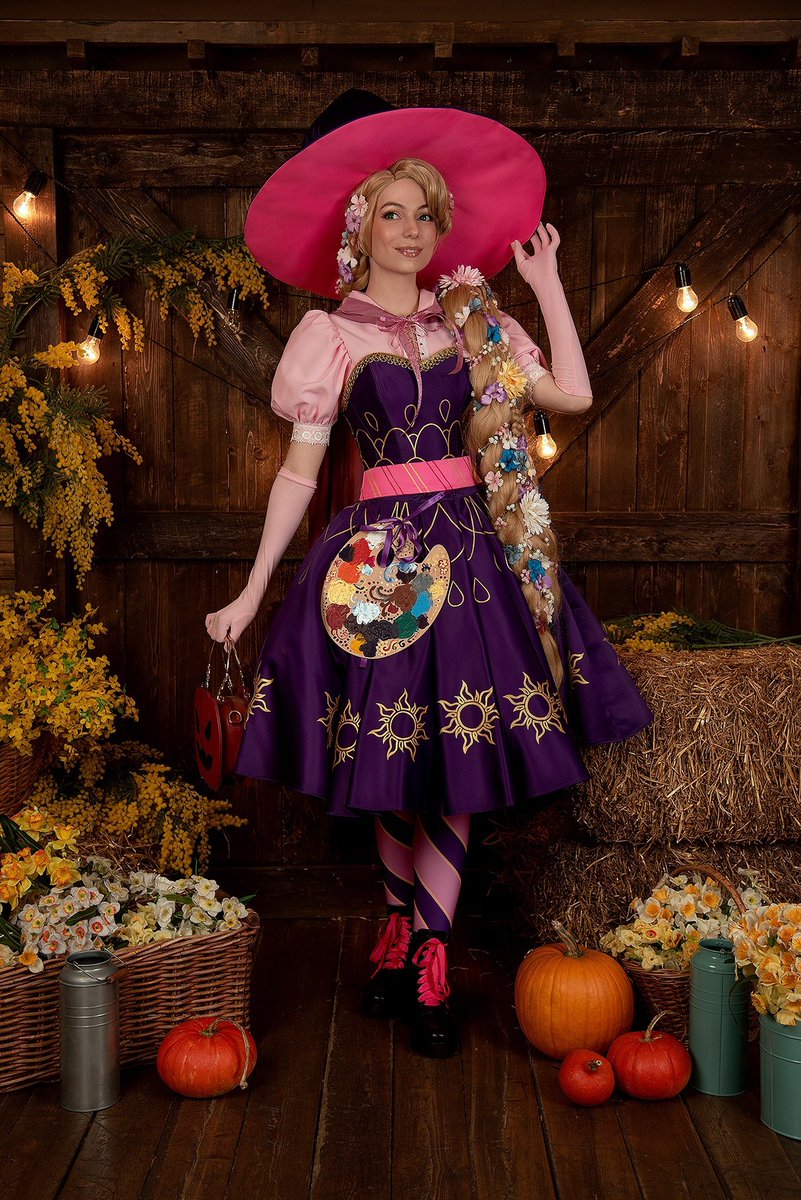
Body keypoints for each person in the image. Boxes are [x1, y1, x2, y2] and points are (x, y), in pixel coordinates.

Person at [205, 93, 652, 1058]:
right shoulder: (330, 337)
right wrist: (249, 590)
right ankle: (397, 934)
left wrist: (547, 284)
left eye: (424, 215)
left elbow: (571, 395)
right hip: (375, 565)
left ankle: (431, 958)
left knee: (455, 764)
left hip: (473, 559)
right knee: (390, 759)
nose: (410, 231)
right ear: (358, 227)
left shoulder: (475, 323)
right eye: (391, 213)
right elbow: (298, 474)